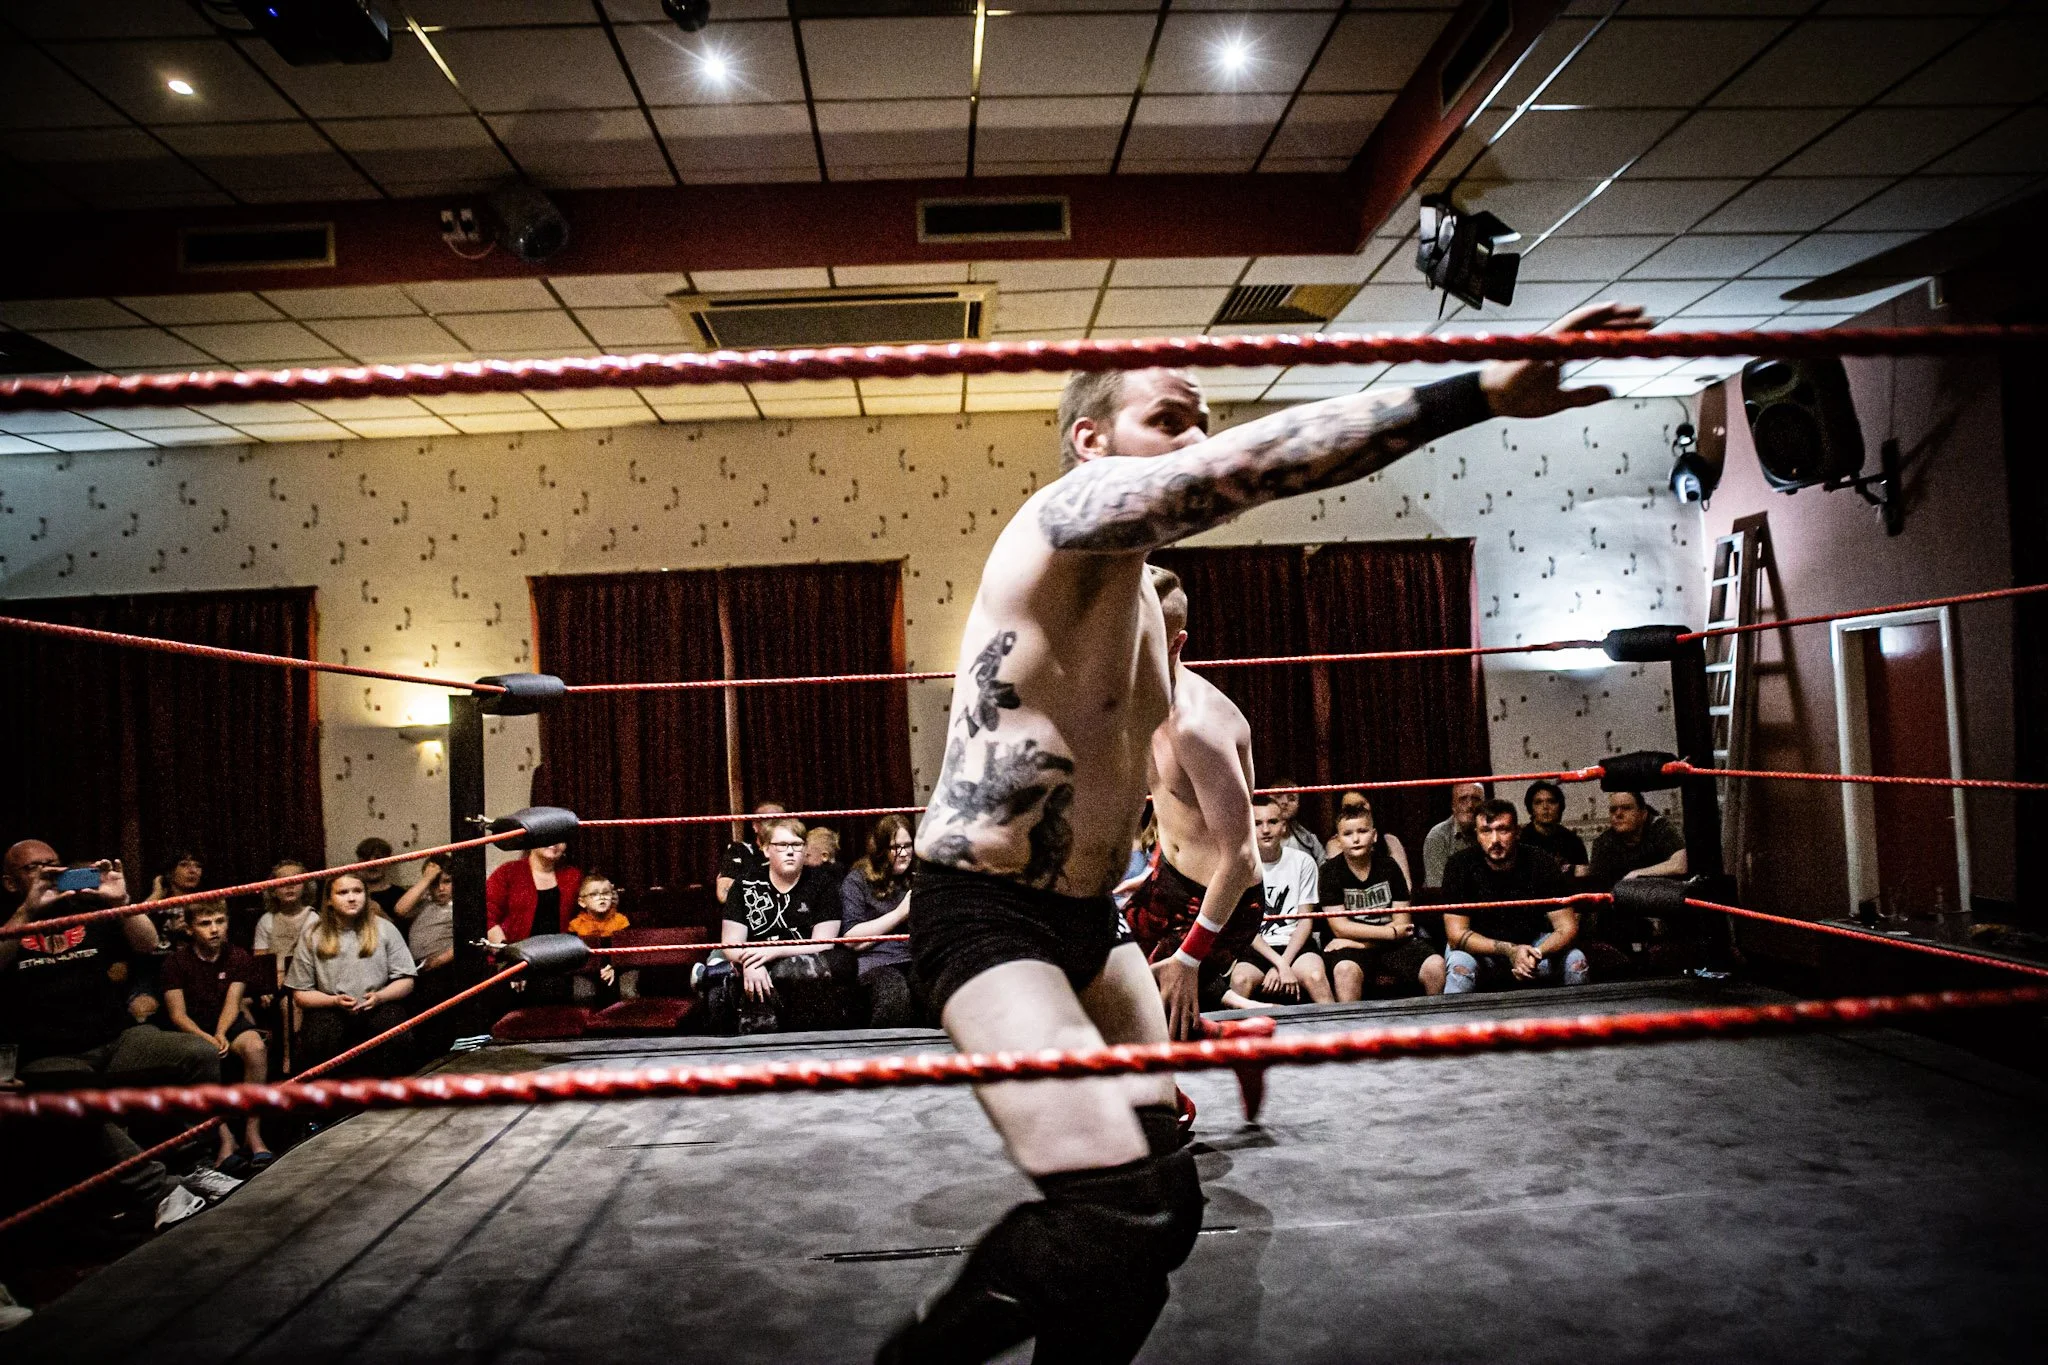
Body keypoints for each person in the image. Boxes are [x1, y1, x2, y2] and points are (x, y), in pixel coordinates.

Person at [886, 299, 1647, 1363]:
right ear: (1090, 441)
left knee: (1163, 1212)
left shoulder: (1145, 607)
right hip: (985, 913)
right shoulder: (1059, 521)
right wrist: (1475, 391)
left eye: (1202, 419)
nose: (1196, 439)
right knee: (1113, 1206)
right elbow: (1253, 465)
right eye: (1168, 420)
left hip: (1090, 924)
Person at [0, 840, 240, 1229]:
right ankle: (161, 1191)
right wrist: (28, 911)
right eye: (34, 869)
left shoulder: (85, 906)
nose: (48, 874)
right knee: (78, 1098)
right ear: (10, 882)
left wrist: (122, 901)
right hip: (50, 1054)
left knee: (198, 1054)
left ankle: (194, 1166)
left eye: (54, 865)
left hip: (115, 1039)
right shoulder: (8, 918)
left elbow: (147, 944)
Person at [1123, 566, 1266, 1033]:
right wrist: (1151, 870)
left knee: (1142, 1020)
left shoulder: (1197, 727)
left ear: (1176, 643)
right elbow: (1175, 809)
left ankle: (1222, 1032)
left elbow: (1242, 857)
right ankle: (1225, 1026)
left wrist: (1189, 958)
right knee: (1092, 980)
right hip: (1167, 880)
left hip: (1223, 901)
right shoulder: (1141, 701)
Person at [160, 900, 272, 1175]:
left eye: (220, 921)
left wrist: (221, 1033)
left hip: (226, 1020)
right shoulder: (175, 962)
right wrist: (205, 1037)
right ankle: (224, 1138)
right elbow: (177, 1014)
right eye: (205, 923)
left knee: (255, 1047)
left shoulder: (237, 956)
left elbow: (233, 1002)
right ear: (190, 929)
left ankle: (253, 1132)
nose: (214, 929)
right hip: (192, 1026)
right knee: (203, 1055)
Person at [704, 817, 846, 1034]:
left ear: (805, 849)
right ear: (766, 850)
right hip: (756, 961)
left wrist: (773, 951)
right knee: (728, 987)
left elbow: (824, 943)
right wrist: (752, 962)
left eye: (796, 845)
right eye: (782, 845)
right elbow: (731, 944)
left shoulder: (823, 883)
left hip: (806, 962)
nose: (790, 851)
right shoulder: (744, 884)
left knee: (795, 970)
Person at [1440, 800, 1588, 993]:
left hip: (1533, 946)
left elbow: (1567, 927)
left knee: (1576, 962)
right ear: (1476, 834)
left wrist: (1535, 953)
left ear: (1517, 832)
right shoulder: (1459, 865)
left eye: (1503, 830)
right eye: (1486, 831)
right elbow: (1456, 935)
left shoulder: (1540, 861)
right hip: (1481, 950)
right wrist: (1509, 950)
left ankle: (1577, 1015)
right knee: (1460, 968)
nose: (1495, 840)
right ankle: (1454, 1016)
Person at [285, 873, 419, 1074]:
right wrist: (333, 1001)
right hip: (330, 1006)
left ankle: (392, 1091)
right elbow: (301, 994)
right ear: (329, 900)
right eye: (342, 892)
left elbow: (406, 980)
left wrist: (380, 997)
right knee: (319, 1038)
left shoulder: (384, 928)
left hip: (377, 1003)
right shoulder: (312, 934)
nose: (351, 898)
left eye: (357, 891)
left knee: (397, 1034)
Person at [1318, 807, 1443, 1000]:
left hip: (1382, 945)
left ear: (1374, 835)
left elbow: (1403, 923)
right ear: (1338, 840)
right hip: (1356, 947)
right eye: (1348, 834)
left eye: (1362, 831)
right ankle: (1352, 1022)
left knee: (1435, 965)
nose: (1356, 839)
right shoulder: (1329, 872)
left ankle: (1434, 1019)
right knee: (1345, 970)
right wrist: (1390, 933)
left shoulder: (1390, 867)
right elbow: (1340, 928)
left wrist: (1361, 943)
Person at [1230, 794, 1331, 1005]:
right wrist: (1280, 965)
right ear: (1249, 828)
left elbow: (1305, 921)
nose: (1265, 830)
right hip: (1257, 947)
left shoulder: (1303, 861)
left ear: (1284, 826)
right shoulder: (1241, 867)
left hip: (1295, 945)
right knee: (1239, 981)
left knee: (1316, 976)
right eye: (1258, 823)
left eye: (1273, 822)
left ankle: (1340, 1028)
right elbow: (1245, 928)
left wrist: (1284, 963)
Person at [840, 815, 920, 1027]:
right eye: (895, 847)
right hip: (878, 963)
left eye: (907, 846)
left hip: (916, 959)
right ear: (881, 849)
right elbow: (852, 939)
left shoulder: (919, 876)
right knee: (893, 994)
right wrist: (900, 913)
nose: (904, 854)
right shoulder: (858, 880)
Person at [484, 840, 581, 945]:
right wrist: (506, 950)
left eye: (560, 838)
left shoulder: (573, 876)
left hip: (560, 952)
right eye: (547, 835)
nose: (554, 842)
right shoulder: (508, 872)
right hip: (513, 952)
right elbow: (486, 916)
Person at [1321, 790, 1414, 891]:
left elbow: (1406, 889)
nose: (1356, 839)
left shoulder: (1390, 847)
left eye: (1360, 806)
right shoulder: (1332, 854)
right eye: (1348, 807)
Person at [251, 862, 315, 992]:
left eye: (296, 880)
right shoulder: (267, 920)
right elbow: (260, 961)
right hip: (273, 981)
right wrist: (264, 987)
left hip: (304, 980)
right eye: (283, 881)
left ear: (306, 887)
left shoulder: (313, 918)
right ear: (273, 891)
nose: (290, 885)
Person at [716, 801, 788, 906]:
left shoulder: (795, 849)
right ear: (755, 826)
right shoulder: (740, 850)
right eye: (767, 821)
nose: (774, 826)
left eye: (779, 821)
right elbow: (724, 895)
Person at [1422, 781, 1489, 888]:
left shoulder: (1492, 833)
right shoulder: (1438, 836)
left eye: (1476, 799)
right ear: (1453, 806)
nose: (1470, 805)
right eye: (1463, 799)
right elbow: (1437, 886)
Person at [1519, 779, 1589, 874]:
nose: (1545, 807)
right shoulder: (1521, 841)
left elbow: (1583, 873)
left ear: (1559, 806)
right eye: (1538, 802)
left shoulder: (1572, 841)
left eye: (1551, 801)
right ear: (1531, 808)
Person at [1264, 780, 1326, 865]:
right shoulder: (1254, 837)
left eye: (1291, 799)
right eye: (1278, 796)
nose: (1285, 802)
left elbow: (1324, 867)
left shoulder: (1309, 839)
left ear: (1298, 805)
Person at [353, 837, 409, 918]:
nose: (372, 864)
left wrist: (381, 914)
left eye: (378, 858)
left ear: (388, 863)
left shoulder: (400, 895)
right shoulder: (351, 893)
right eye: (366, 859)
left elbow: (404, 925)